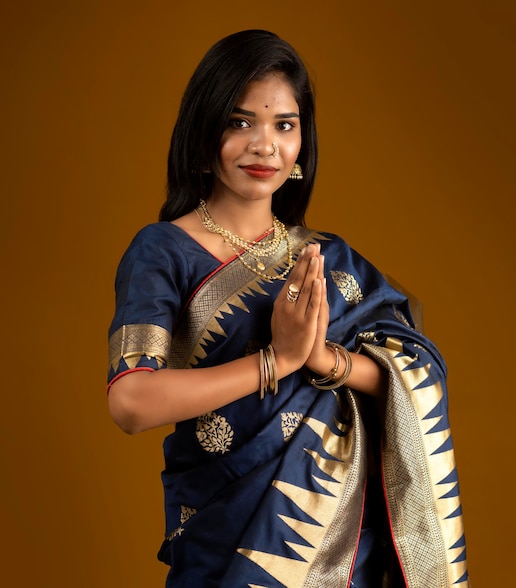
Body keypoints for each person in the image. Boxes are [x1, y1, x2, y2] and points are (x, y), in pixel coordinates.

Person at [107, 29, 469, 588]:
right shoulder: (163, 251)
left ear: (302, 144)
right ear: (204, 137)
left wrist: (321, 359)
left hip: (333, 539)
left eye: (284, 125)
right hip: (221, 525)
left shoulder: (328, 259)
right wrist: (276, 360)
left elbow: (417, 375)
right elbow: (131, 401)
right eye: (240, 121)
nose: (265, 145)